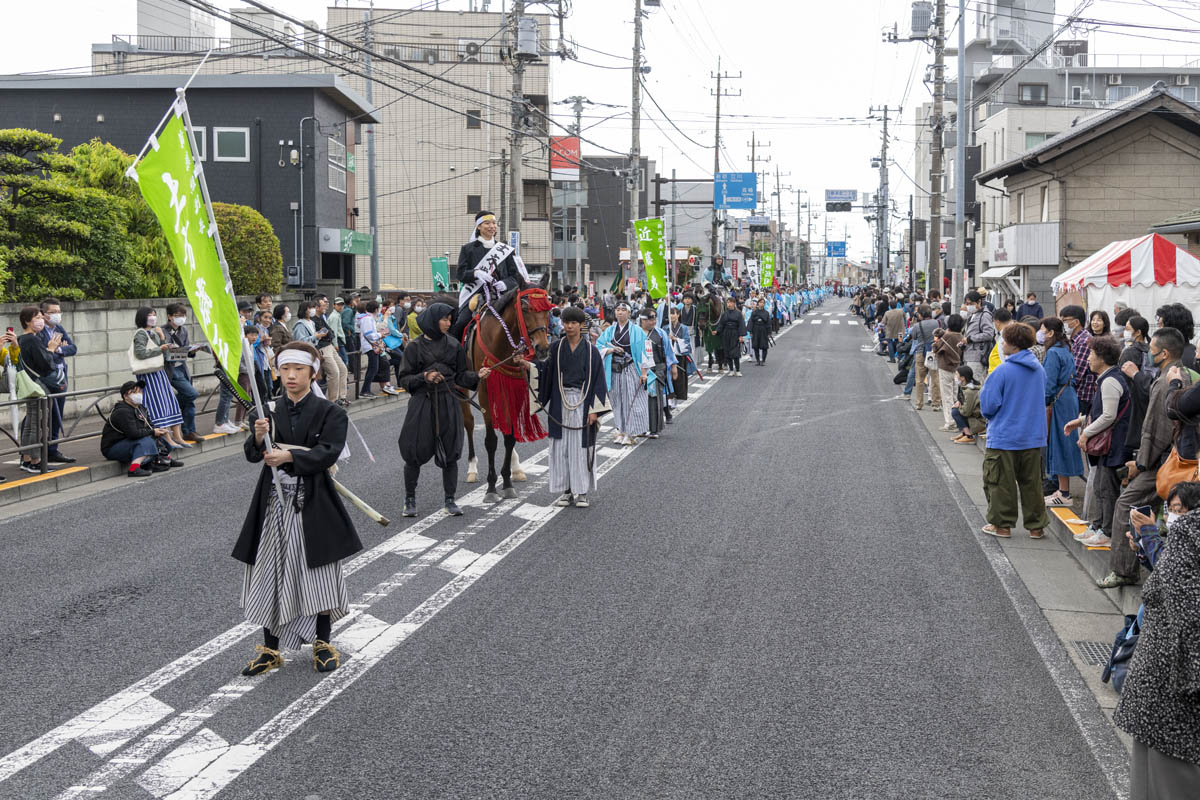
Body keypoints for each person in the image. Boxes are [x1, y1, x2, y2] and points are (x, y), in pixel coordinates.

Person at [233, 341, 361, 677]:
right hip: (273, 502)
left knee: (315, 573)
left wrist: (290, 456)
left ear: (312, 373)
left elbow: (328, 452)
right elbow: (252, 455)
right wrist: (259, 437)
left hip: (313, 501)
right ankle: (270, 649)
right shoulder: (266, 411)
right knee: (271, 573)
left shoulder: (331, 412)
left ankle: (323, 642)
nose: (291, 376)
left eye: (299, 370)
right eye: (285, 369)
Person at [1113, 481, 1200, 797]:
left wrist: (1150, 537)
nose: (1175, 516)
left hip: (1170, 694)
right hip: (1168, 695)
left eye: (1181, 510)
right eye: (1172, 510)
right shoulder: (1188, 534)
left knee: (1160, 782)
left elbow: (1187, 617)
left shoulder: (1188, 535)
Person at [1104, 328, 1192, 581]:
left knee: (1127, 506)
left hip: (1162, 462)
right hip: (1175, 459)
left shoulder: (1167, 381)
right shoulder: (1182, 375)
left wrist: (1141, 463)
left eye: (1152, 350)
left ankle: (1123, 571)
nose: (1148, 354)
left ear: (1163, 353)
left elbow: (1156, 429)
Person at [396, 303, 488, 517]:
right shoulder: (414, 347)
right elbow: (404, 378)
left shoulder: (454, 345)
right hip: (423, 403)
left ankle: (450, 499)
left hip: (449, 401)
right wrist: (424, 377)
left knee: (451, 451)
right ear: (432, 320)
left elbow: (461, 376)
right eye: (444, 319)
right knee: (414, 450)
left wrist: (478, 376)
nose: (448, 323)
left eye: (450, 319)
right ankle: (409, 498)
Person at [524, 305, 609, 508]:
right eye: (566, 322)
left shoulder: (591, 352)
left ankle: (581, 492)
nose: (569, 326)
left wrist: (595, 411)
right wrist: (527, 365)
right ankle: (566, 490)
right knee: (560, 448)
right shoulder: (556, 347)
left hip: (582, 402)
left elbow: (599, 381)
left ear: (581, 325)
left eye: (573, 323)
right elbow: (543, 370)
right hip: (560, 401)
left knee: (581, 448)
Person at [979, 323, 1050, 539]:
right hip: (1032, 435)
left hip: (1004, 435)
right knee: (1032, 483)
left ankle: (1002, 525)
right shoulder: (1039, 369)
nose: (1002, 343)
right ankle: (1036, 527)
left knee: (1000, 482)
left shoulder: (1002, 370)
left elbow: (989, 406)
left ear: (1013, 345)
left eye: (1005, 340)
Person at [1065, 336, 1130, 548]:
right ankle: (1098, 526)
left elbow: (1109, 416)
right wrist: (1081, 421)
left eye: (1092, 354)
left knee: (1107, 489)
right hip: (1110, 443)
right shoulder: (1108, 377)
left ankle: (1106, 531)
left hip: (1114, 444)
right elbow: (1101, 411)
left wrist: (1085, 434)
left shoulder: (1110, 380)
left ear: (1102, 358)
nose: (1088, 359)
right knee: (1102, 487)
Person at [451, 210, 531, 341]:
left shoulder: (505, 250)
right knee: (461, 324)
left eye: (494, 223)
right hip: (475, 296)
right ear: (478, 227)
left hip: (502, 295)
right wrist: (476, 273)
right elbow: (460, 274)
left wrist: (505, 283)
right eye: (487, 223)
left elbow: (515, 276)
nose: (491, 226)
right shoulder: (468, 249)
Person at [1040, 317, 1084, 507]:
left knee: (1059, 443)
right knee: (1064, 442)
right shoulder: (1066, 349)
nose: (1040, 333)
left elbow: (1048, 384)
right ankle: (1061, 490)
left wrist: (1044, 401)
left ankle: (1064, 493)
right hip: (1068, 397)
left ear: (1050, 333)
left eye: (1042, 330)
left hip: (1059, 401)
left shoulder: (1053, 353)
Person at [131, 307, 188, 450]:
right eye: (150, 315)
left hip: (159, 371)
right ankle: (167, 438)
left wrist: (162, 338)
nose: (153, 317)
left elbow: (163, 352)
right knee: (159, 405)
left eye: (154, 315)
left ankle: (177, 436)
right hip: (148, 374)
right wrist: (160, 348)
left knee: (170, 401)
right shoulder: (141, 333)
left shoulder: (154, 331)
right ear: (143, 317)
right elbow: (140, 353)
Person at [100, 380, 183, 476]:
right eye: (134, 392)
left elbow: (150, 426)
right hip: (113, 448)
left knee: (160, 435)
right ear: (125, 396)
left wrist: (158, 431)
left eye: (140, 391)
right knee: (146, 441)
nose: (139, 394)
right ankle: (134, 469)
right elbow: (133, 434)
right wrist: (152, 432)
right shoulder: (122, 411)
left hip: (128, 442)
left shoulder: (140, 407)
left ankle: (165, 458)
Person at [596, 302, 648, 446]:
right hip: (614, 369)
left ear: (629, 313)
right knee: (617, 401)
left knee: (630, 400)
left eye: (623, 310)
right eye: (618, 310)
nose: (620, 312)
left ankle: (631, 433)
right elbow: (599, 346)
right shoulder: (610, 330)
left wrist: (644, 373)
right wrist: (610, 350)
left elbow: (645, 352)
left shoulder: (637, 330)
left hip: (630, 368)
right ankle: (620, 430)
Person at [15, 306, 60, 473]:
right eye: (37, 318)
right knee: (38, 423)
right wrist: (51, 349)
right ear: (27, 321)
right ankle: (36, 461)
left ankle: (26, 459)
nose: (41, 320)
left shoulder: (21, 339)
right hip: (36, 385)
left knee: (30, 423)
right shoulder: (33, 340)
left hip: (27, 384)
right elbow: (46, 364)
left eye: (42, 317)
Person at [37, 297, 76, 463]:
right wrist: (56, 349)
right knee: (38, 413)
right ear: (44, 314)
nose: (57, 315)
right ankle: (30, 451)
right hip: (45, 377)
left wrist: (58, 349)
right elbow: (43, 355)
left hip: (60, 377)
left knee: (57, 412)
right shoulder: (38, 332)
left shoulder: (58, 328)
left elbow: (73, 348)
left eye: (59, 312)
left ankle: (53, 449)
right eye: (53, 312)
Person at [164, 304, 202, 444]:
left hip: (182, 367)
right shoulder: (163, 331)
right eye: (177, 316)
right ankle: (171, 405)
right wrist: (184, 351)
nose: (181, 319)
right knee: (191, 393)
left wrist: (192, 351)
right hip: (171, 369)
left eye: (183, 316)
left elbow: (186, 350)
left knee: (190, 401)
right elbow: (167, 353)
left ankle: (189, 431)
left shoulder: (184, 330)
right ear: (169, 316)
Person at [638, 308, 674, 439]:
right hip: (639, 369)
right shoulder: (635, 333)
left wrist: (673, 366)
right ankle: (640, 427)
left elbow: (668, 351)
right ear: (642, 320)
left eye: (654, 318)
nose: (653, 321)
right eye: (650, 318)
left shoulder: (660, 333)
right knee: (640, 400)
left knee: (654, 398)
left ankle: (654, 428)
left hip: (657, 368)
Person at [1060, 305, 1097, 409]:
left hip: (1080, 396)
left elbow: (1076, 373)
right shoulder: (1073, 340)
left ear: (1076, 322)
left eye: (1065, 321)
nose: (1063, 324)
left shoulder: (1084, 341)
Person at [933, 314, 964, 432]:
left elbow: (936, 347)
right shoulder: (961, 336)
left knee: (946, 396)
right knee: (955, 395)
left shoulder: (947, 336)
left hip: (945, 367)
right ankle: (957, 420)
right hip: (957, 368)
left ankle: (950, 422)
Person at [314, 296, 347, 405]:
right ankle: (333, 400)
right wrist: (328, 335)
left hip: (330, 346)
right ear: (317, 307)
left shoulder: (323, 317)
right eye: (324, 304)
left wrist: (328, 335)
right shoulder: (313, 320)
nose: (326, 306)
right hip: (322, 347)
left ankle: (342, 397)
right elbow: (324, 334)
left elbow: (330, 331)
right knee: (334, 372)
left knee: (343, 369)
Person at [962, 291, 996, 379]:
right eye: (967, 303)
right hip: (967, 354)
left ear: (979, 301)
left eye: (971, 303)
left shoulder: (985, 315)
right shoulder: (971, 315)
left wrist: (970, 339)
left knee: (975, 384)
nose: (969, 306)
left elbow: (989, 334)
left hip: (978, 356)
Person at [950, 365, 986, 443]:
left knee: (955, 412)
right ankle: (964, 433)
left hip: (979, 421)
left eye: (957, 374)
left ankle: (968, 435)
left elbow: (966, 412)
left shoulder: (970, 391)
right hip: (974, 417)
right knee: (955, 409)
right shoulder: (964, 387)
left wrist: (959, 406)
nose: (955, 376)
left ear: (963, 378)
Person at [714, 296, 746, 377]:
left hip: (735, 333)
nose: (729, 304)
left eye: (730, 302)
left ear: (734, 303)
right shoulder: (725, 314)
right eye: (727, 302)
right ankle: (731, 369)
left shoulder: (738, 314)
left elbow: (741, 325)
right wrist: (717, 331)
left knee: (735, 353)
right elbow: (721, 324)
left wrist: (741, 335)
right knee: (727, 352)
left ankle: (738, 370)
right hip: (726, 333)